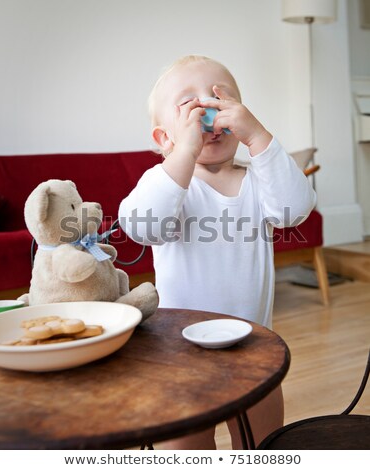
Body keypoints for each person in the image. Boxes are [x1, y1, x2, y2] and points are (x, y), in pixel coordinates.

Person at [119, 55, 316, 449]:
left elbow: (295, 210)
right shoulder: (167, 184)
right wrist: (185, 155)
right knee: (183, 448)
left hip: (255, 349)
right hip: (180, 354)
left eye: (218, 98)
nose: (205, 109)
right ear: (164, 139)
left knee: (264, 443)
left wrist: (258, 137)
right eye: (187, 104)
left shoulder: (259, 180)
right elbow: (142, 226)